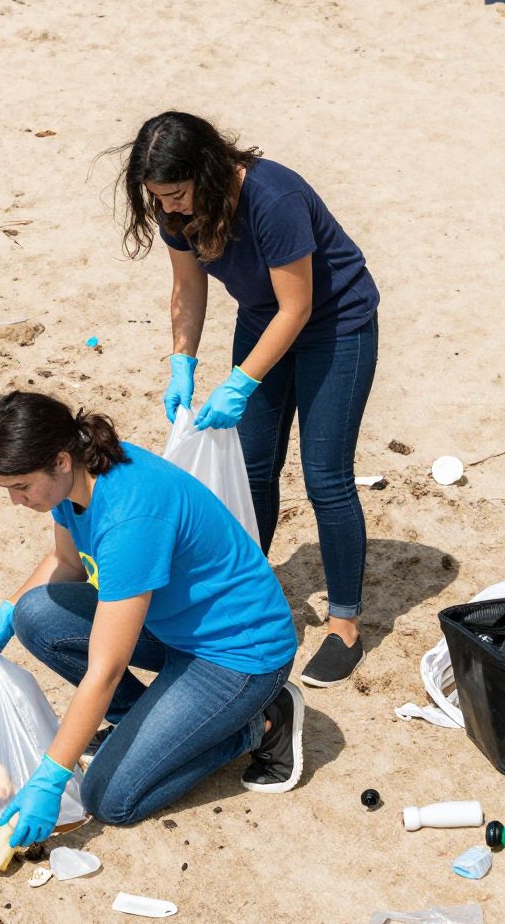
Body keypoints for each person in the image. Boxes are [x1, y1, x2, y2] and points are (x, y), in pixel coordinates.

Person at [0, 391, 304, 847]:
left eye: (21, 486)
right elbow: (66, 562)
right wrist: (5, 613)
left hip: (238, 656)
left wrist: (49, 777)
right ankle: (141, 723)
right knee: (34, 613)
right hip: (173, 626)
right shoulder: (75, 480)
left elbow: (105, 671)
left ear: (60, 460)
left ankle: (260, 723)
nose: (15, 501)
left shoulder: (130, 518)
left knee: (109, 798)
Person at [117, 112, 381, 689]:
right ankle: (249, 590)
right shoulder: (172, 207)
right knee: (253, 465)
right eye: (159, 198)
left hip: (336, 326)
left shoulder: (272, 196)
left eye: (180, 195)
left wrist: (241, 383)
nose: (172, 209)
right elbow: (188, 287)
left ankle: (344, 625)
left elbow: (299, 307)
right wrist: (181, 361)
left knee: (325, 476)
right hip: (263, 318)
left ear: (208, 172)